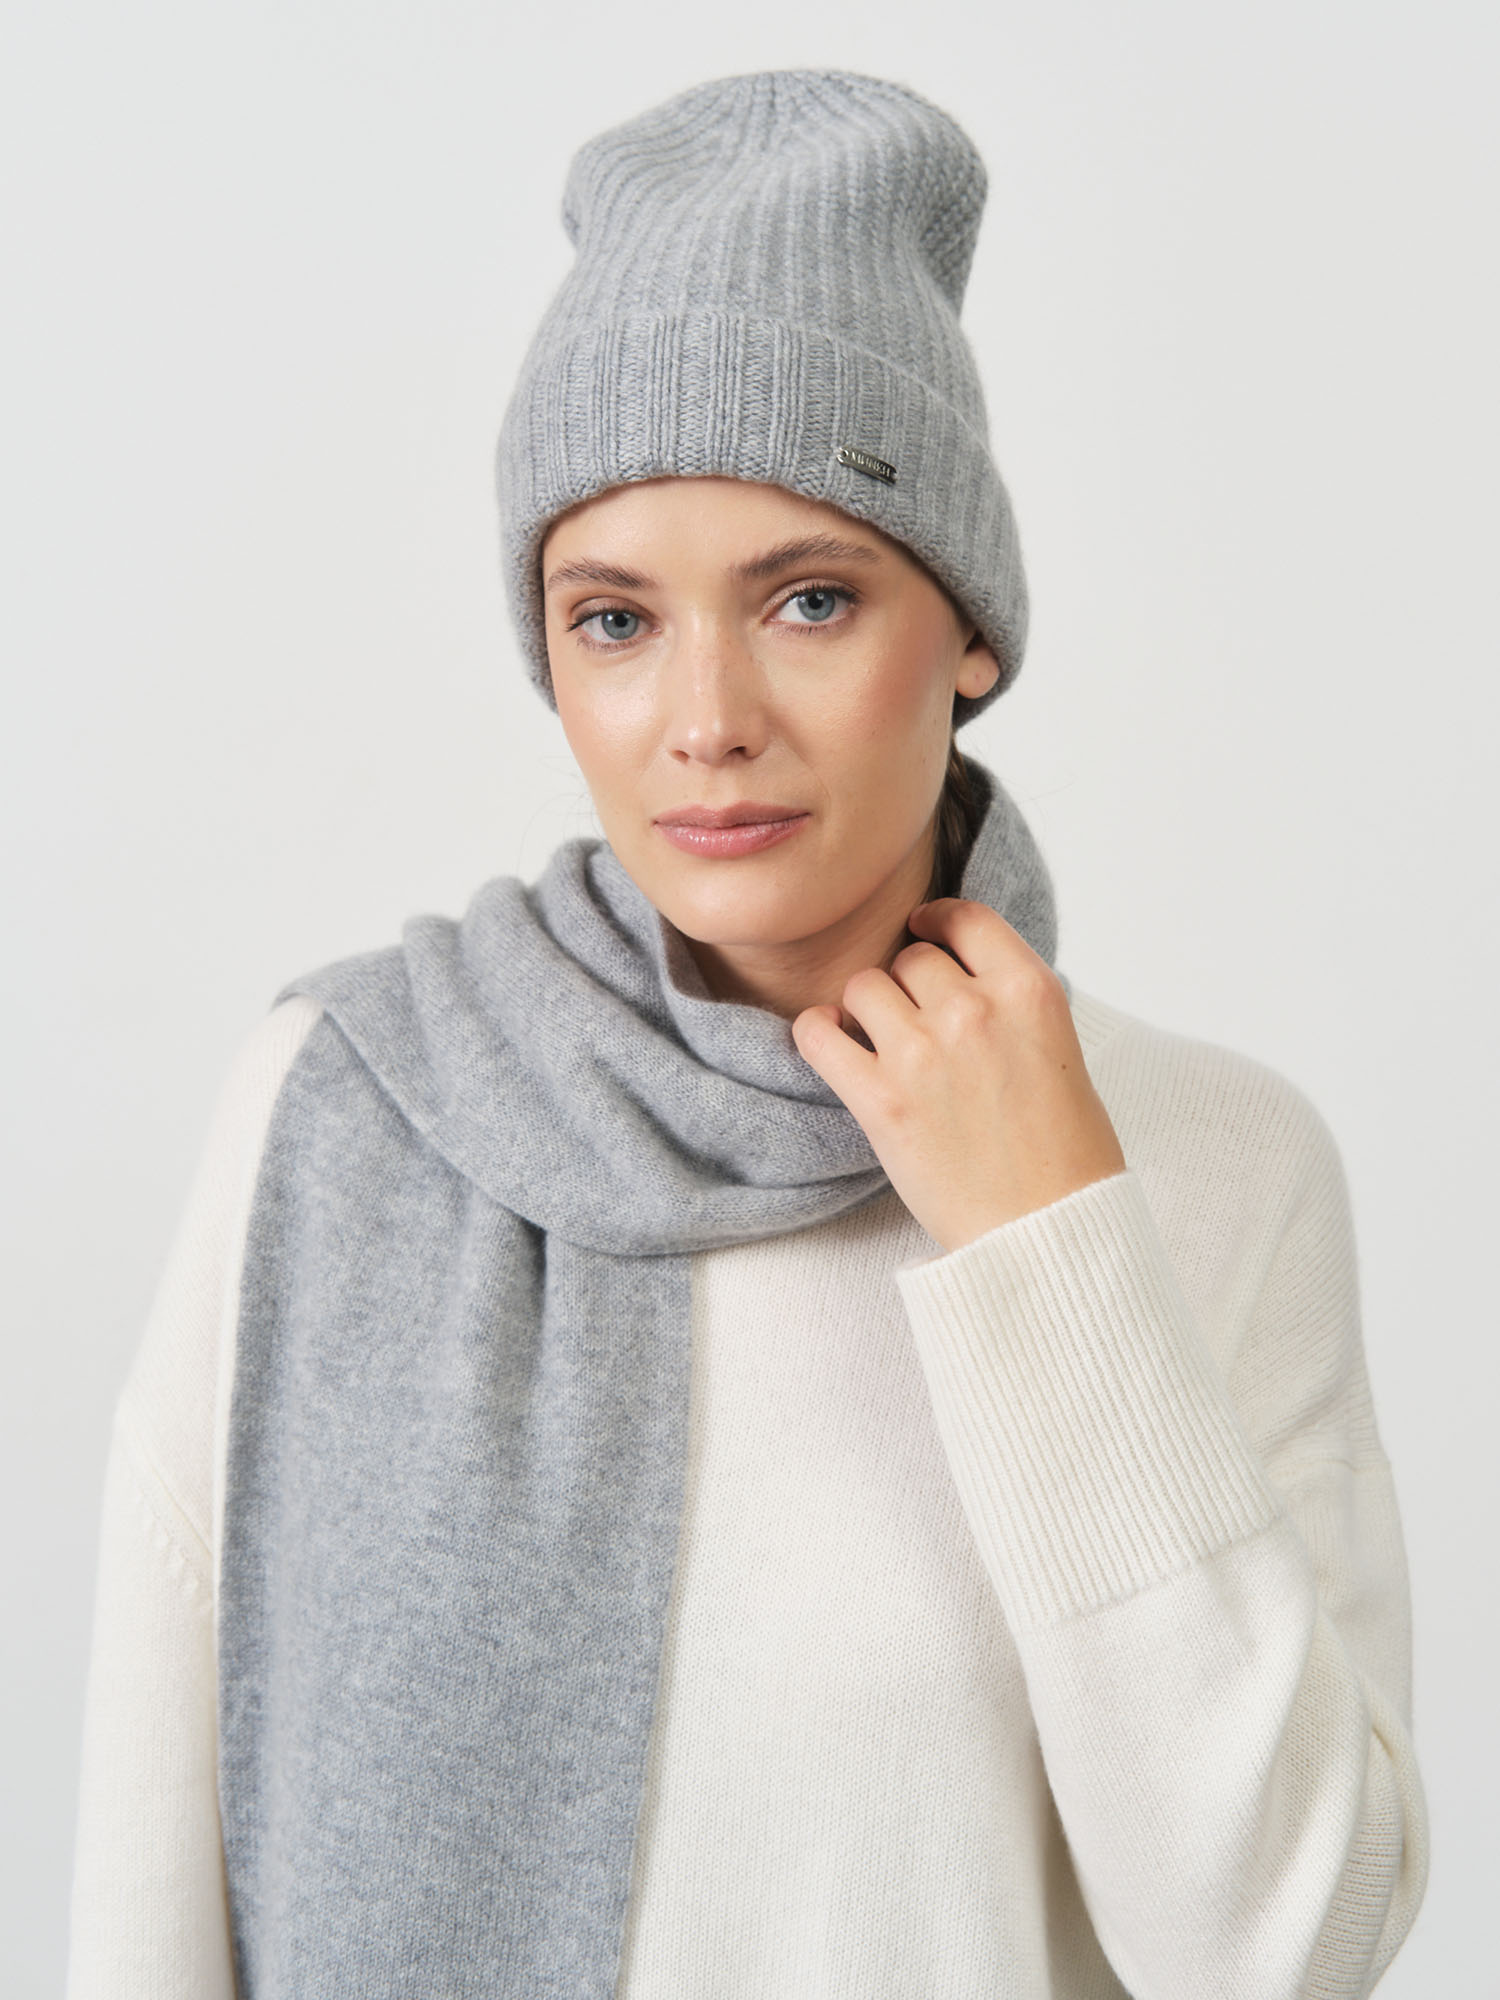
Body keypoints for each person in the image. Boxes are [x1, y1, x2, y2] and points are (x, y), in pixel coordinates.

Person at [66, 67, 1429, 2000]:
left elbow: (1285, 1951)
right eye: (615, 621)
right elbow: (144, 1905)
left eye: (807, 599)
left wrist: (1051, 1246)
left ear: (967, 630)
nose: (705, 720)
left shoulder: (1210, 1163)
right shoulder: (352, 1102)